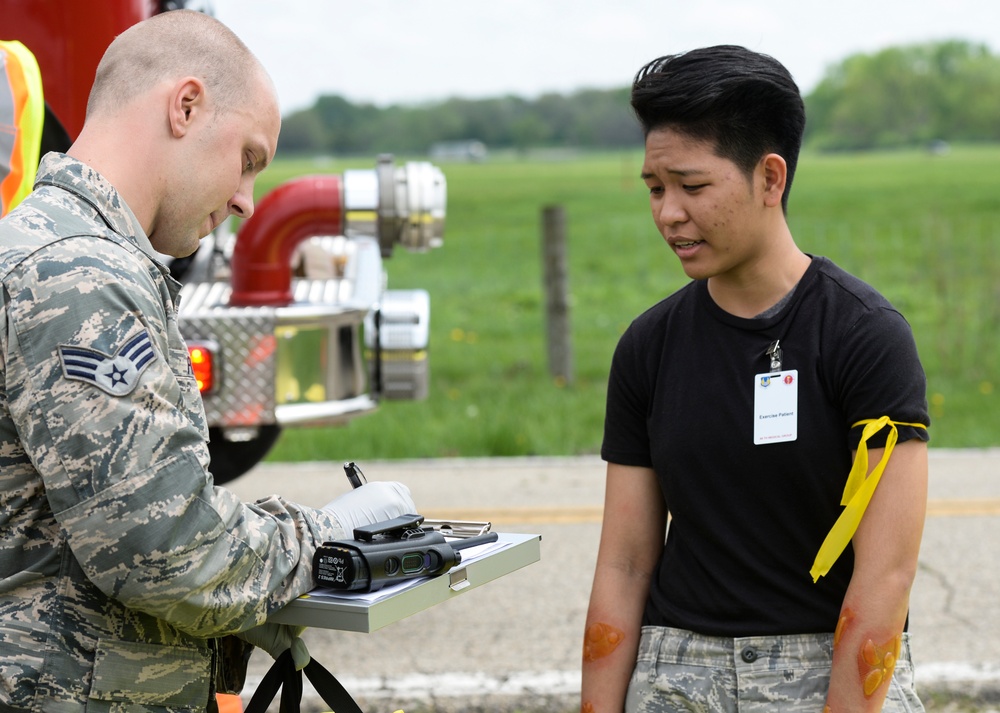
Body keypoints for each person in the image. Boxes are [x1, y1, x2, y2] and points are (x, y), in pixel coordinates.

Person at [0, 10, 415, 712]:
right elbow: (163, 553)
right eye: (249, 158)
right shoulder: (78, 275)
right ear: (185, 106)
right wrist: (327, 537)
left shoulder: (61, 251)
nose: (247, 199)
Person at [581, 45, 929, 713]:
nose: (668, 213)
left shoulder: (864, 335)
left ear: (771, 177)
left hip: (827, 671)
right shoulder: (648, 347)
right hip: (676, 675)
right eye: (655, 188)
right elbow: (624, 566)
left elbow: (886, 575)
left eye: (692, 185)